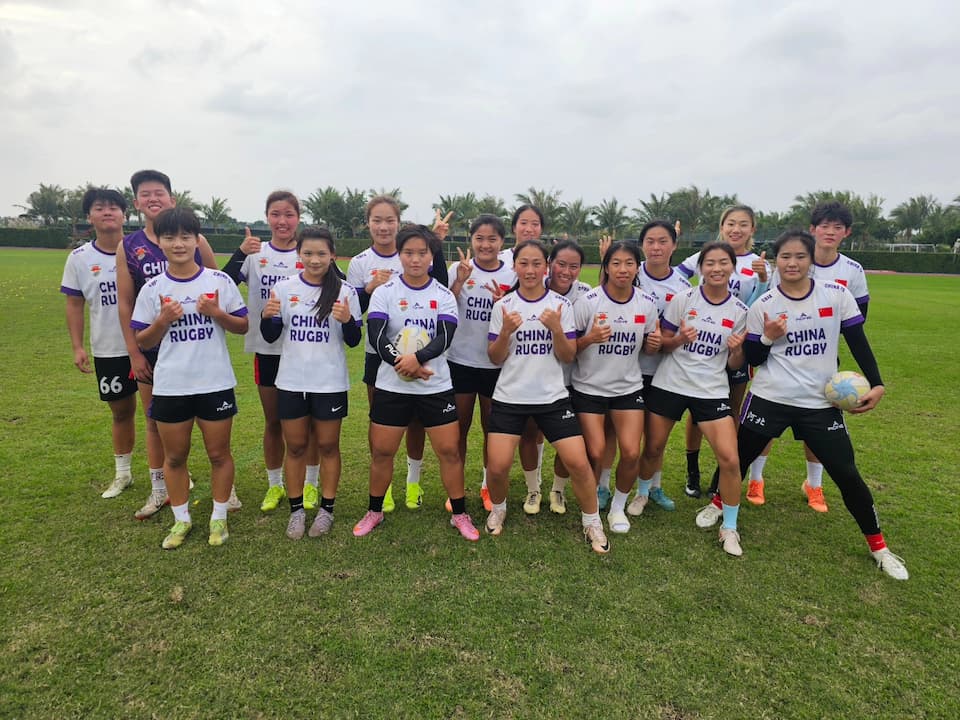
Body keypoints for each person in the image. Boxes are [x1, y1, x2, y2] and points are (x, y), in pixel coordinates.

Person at [695, 230, 908, 580]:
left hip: (820, 404)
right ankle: (718, 503)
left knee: (847, 474)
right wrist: (767, 336)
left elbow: (857, 340)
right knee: (737, 458)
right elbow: (753, 358)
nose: (792, 263)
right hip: (769, 397)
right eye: (785, 257)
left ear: (811, 260)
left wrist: (878, 382)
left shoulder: (836, 295)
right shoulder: (763, 305)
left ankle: (879, 547)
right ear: (776, 261)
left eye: (800, 257)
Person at [115, 169, 231, 519]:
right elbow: (125, 303)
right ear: (136, 202)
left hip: (201, 352)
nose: (153, 199)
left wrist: (214, 312)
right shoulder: (130, 245)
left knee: (216, 440)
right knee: (156, 423)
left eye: (159, 193)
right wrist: (134, 352)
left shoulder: (195, 239)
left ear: (171, 198)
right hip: (153, 347)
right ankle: (159, 490)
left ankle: (226, 493)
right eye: (145, 194)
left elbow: (217, 286)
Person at [130, 208, 248, 549]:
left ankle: (219, 518)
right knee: (175, 457)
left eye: (185, 236)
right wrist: (163, 320)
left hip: (214, 383)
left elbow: (242, 326)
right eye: (170, 237)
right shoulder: (153, 288)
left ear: (197, 240)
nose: (178, 244)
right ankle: (181, 521)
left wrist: (217, 313)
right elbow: (143, 340)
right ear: (160, 243)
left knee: (219, 454)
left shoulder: (218, 281)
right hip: (171, 385)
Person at [352, 225, 479, 542]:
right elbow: (377, 335)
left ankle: (460, 514)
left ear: (431, 255)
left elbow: (446, 336)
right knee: (382, 451)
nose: (415, 258)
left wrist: (417, 359)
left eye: (422, 252)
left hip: (435, 387)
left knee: (449, 451)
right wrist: (402, 363)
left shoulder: (443, 295)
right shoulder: (385, 292)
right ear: (400, 254)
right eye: (409, 252)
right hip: (392, 387)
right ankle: (374, 511)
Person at [484, 240, 610, 554]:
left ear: (546, 266)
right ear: (515, 266)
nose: (530, 270)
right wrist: (504, 334)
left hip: (552, 397)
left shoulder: (560, 306)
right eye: (523, 263)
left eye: (536, 263)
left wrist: (556, 328)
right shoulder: (503, 306)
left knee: (578, 463)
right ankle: (498, 507)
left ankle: (592, 520)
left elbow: (567, 356)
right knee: (497, 467)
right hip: (510, 396)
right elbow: (494, 358)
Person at [744, 201, 871, 510]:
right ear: (813, 231)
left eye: (837, 227)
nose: (830, 231)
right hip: (779, 357)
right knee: (766, 423)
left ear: (846, 232)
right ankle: (755, 479)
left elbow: (856, 321)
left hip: (821, 359)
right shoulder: (785, 268)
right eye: (824, 226)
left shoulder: (851, 271)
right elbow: (769, 306)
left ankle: (814, 485)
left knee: (819, 422)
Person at [640, 241, 748, 556]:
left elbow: (734, 366)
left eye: (723, 263)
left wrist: (737, 351)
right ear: (701, 268)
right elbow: (662, 345)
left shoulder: (740, 311)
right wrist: (678, 339)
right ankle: (643, 494)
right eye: (710, 263)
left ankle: (729, 526)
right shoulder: (682, 299)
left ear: (732, 267)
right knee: (653, 448)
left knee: (729, 458)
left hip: (711, 389)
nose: (716, 268)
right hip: (670, 384)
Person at [221, 191, 325, 514]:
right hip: (267, 349)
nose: (282, 221)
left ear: (298, 217)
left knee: (307, 424)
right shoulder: (256, 252)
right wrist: (240, 252)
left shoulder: (310, 253)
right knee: (274, 421)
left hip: (306, 349)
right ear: (267, 217)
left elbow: (341, 287)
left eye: (289, 215)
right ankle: (275, 485)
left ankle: (310, 485)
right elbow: (223, 282)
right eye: (276, 214)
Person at [346, 197, 450, 513]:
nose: (383, 226)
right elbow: (353, 312)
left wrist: (437, 244)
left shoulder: (414, 252)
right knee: (381, 418)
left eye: (389, 220)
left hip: (422, 354)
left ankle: (413, 482)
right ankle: (384, 488)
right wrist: (367, 291)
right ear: (368, 223)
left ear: (398, 222)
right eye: (377, 220)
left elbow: (441, 287)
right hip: (378, 353)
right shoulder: (360, 262)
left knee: (417, 421)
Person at [260, 227, 361, 539]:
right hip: (291, 381)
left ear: (332, 255)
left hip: (329, 382)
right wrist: (266, 317)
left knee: (328, 446)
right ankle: (296, 511)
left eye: (321, 254)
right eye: (308, 253)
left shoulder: (345, 292)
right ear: (298, 255)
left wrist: (347, 321)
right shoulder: (283, 287)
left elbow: (355, 340)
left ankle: (326, 510)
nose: (314, 260)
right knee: (297, 447)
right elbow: (270, 336)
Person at [677, 206, 768, 498]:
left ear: (752, 229)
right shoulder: (707, 253)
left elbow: (767, 301)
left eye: (743, 224)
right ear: (722, 226)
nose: (736, 229)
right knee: (697, 411)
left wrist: (765, 279)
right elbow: (676, 278)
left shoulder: (759, 263)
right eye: (731, 223)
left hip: (736, 342)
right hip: (703, 343)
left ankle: (723, 471)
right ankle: (693, 470)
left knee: (730, 411)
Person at [571, 241, 659, 534]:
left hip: (628, 389)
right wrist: (589, 338)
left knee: (632, 452)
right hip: (588, 388)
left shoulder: (646, 303)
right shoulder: (588, 302)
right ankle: (592, 509)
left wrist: (653, 343)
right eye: (616, 263)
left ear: (637, 267)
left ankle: (618, 508)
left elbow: (648, 347)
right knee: (595, 452)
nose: (623, 269)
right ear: (606, 267)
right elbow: (569, 348)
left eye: (630, 263)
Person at [61, 187, 139, 499]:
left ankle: (172, 471)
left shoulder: (141, 250)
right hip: (110, 348)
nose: (107, 212)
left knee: (162, 413)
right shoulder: (79, 258)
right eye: (99, 207)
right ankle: (123, 474)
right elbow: (74, 304)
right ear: (89, 216)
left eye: (113, 207)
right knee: (121, 413)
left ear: (124, 214)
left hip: (150, 344)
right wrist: (78, 346)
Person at [446, 214, 516, 511]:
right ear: (470, 240)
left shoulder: (512, 275)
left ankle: (488, 486)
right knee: (458, 428)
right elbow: (444, 308)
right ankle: (456, 489)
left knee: (492, 428)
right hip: (460, 361)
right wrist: (460, 282)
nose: (485, 245)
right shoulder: (457, 269)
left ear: (502, 242)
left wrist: (504, 301)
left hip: (495, 364)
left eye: (492, 239)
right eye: (479, 239)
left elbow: (518, 316)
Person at [631, 220, 692, 511]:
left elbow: (682, 327)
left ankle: (653, 486)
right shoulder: (629, 271)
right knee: (613, 432)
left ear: (674, 245)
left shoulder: (682, 286)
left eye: (663, 241)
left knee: (656, 437)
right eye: (650, 241)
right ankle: (603, 486)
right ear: (642, 245)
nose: (656, 247)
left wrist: (666, 341)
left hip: (661, 371)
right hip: (624, 368)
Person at [539, 240, 595, 515]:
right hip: (535, 378)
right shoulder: (532, 286)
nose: (566, 271)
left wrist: (586, 339)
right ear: (550, 263)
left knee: (568, 440)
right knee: (532, 434)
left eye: (574, 266)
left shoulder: (585, 294)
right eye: (561, 264)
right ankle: (533, 486)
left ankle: (557, 490)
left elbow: (575, 347)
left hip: (571, 378)